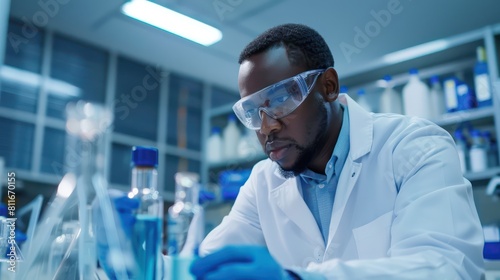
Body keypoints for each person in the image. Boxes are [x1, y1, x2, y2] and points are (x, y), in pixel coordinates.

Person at [97, 23, 485, 279]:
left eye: (280, 100)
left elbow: (446, 267)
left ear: (328, 87)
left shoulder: (413, 147)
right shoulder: (263, 183)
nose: (267, 127)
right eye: (252, 112)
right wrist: (135, 261)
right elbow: (205, 269)